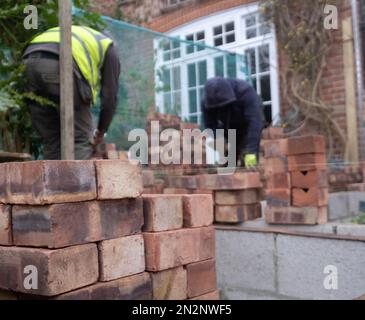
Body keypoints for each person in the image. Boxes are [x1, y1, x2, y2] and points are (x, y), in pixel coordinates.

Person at [23, 25, 120, 160]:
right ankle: (76, 181)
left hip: (28, 61)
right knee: (79, 138)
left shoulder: (83, 35)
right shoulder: (109, 48)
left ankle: (55, 180)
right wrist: (100, 132)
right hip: (60, 62)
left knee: (52, 140)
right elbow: (110, 97)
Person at [201, 77, 264, 168]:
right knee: (229, 164)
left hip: (247, 124)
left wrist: (251, 151)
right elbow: (210, 124)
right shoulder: (206, 102)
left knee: (248, 163)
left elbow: (255, 122)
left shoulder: (245, 92)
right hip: (228, 125)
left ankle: (249, 172)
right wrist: (218, 138)